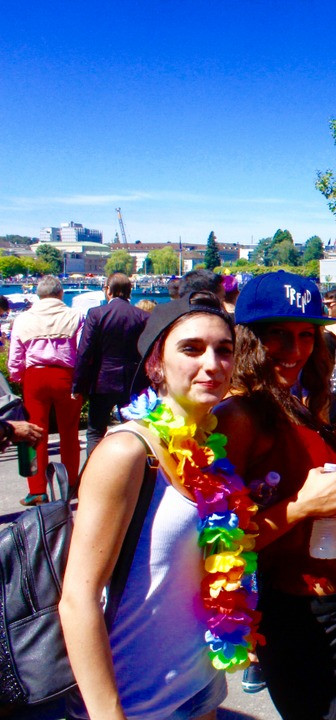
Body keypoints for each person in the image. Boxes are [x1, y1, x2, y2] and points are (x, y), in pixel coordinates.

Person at [59, 292, 240, 720]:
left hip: (199, 688)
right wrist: (108, 714)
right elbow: (78, 598)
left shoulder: (208, 449)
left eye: (224, 350)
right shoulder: (127, 452)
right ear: (157, 364)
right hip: (133, 702)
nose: (212, 364)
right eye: (192, 349)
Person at [212, 271, 336, 720]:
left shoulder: (292, 403)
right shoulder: (237, 415)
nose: (295, 351)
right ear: (249, 340)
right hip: (304, 617)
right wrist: (301, 507)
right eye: (278, 336)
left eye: (306, 335)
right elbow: (217, 545)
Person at [7, 275, 83, 505]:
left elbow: (15, 356)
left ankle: (37, 489)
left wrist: (18, 377)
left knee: (33, 433)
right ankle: (70, 485)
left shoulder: (23, 319)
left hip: (35, 376)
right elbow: (81, 350)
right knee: (69, 433)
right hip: (65, 375)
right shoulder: (75, 316)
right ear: (61, 294)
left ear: (38, 295)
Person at [72, 272, 150, 461]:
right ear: (129, 291)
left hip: (101, 381)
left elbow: (85, 352)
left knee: (95, 431)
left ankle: (94, 468)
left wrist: (77, 386)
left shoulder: (96, 314)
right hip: (132, 381)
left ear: (108, 290)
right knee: (135, 430)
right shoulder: (142, 316)